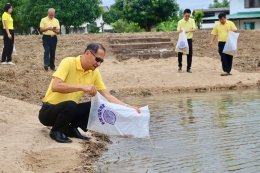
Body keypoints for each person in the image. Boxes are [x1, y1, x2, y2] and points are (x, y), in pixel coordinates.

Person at [39, 43, 140, 143]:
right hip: (48, 112)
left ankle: (70, 128)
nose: (99, 64)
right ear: (87, 53)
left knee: (95, 106)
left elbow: (106, 95)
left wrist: (129, 108)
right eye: (97, 59)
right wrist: (82, 87)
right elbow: (56, 86)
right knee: (71, 104)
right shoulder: (68, 62)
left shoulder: (94, 73)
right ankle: (56, 131)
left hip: (68, 113)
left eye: (101, 61)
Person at [177, 9, 196, 73]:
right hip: (182, 39)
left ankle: (188, 68)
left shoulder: (192, 20)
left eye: (188, 16)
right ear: (183, 14)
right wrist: (181, 31)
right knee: (180, 53)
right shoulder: (180, 22)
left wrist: (187, 31)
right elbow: (178, 31)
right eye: (186, 16)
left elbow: (194, 29)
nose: (187, 17)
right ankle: (180, 67)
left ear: (190, 15)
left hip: (189, 39)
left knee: (189, 54)